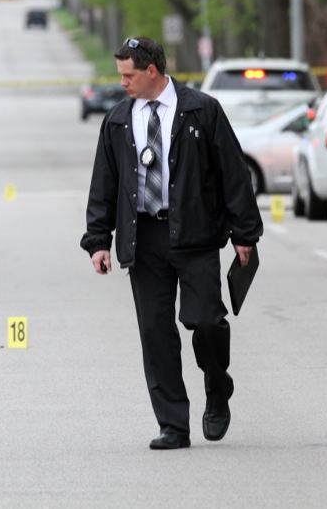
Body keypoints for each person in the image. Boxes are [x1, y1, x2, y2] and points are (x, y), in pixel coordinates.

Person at [81, 36, 263, 450]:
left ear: (151, 72)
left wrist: (244, 233)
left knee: (206, 321)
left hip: (195, 233)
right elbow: (104, 184)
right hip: (143, 237)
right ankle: (173, 425)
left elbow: (233, 173)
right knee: (156, 333)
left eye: (128, 75)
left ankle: (217, 386)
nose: (122, 83)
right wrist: (98, 240)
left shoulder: (201, 109)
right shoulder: (118, 121)